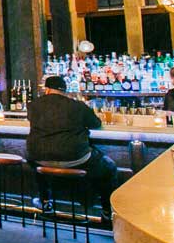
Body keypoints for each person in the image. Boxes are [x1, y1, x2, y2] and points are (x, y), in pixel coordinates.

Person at [26, 76, 118, 219]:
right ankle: (106, 212)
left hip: (38, 157)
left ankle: (45, 202)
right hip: (75, 158)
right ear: (65, 91)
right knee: (109, 167)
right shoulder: (78, 106)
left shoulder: (33, 105)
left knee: (38, 164)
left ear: (47, 89)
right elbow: (96, 123)